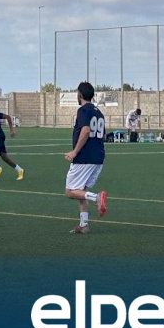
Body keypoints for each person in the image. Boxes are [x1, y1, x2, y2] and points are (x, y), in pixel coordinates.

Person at [65, 82, 107, 234]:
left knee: (70, 191)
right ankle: (84, 225)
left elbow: (86, 130)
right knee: (81, 190)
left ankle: (97, 198)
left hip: (85, 157)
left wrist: (74, 152)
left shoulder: (83, 110)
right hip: (98, 157)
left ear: (80, 95)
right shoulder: (99, 113)